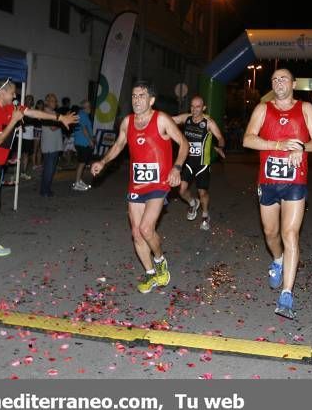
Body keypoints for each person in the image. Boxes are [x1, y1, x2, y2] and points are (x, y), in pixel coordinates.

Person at [0, 79, 76, 257]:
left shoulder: (8, 107)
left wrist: (59, 118)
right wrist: (13, 121)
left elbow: (34, 113)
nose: (15, 96)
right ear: (2, 92)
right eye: (12, 93)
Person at [91, 81, 188, 293]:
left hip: (159, 183)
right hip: (136, 184)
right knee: (136, 233)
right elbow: (118, 145)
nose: (136, 100)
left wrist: (176, 168)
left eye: (141, 96)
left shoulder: (162, 119)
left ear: (151, 100)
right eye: (134, 96)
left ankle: (160, 259)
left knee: (146, 228)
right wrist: (103, 161)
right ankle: (151, 273)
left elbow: (184, 143)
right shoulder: (127, 122)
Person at [243, 68, 312, 319]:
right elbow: (247, 139)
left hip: (295, 180)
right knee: (271, 232)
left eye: (284, 78)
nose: (279, 82)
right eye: (274, 79)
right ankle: (277, 259)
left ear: (294, 83)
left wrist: (302, 147)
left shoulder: (306, 108)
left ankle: (287, 294)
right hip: (267, 180)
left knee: (290, 233)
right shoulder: (262, 108)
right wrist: (277, 145)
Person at [172, 95, 226, 231]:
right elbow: (171, 120)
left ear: (203, 108)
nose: (194, 109)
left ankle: (205, 215)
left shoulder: (209, 122)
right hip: (189, 161)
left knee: (203, 193)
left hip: (203, 164)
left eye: (197, 106)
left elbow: (220, 137)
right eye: (192, 106)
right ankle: (192, 203)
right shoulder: (187, 118)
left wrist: (219, 147)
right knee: (181, 190)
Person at [39, 93, 63, 197]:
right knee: (49, 169)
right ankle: (45, 191)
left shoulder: (53, 113)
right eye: (53, 101)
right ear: (47, 102)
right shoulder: (45, 113)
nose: (55, 103)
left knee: (51, 169)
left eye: (56, 101)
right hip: (49, 146)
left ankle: (46, 189)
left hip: (54, 146)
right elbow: (53, 127)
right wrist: (63, 122)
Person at [71, 99, 96, 191]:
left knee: (82, 163)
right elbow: (84, 129)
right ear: (85, 107)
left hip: (81, 142)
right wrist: (90, 141)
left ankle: (79, 180)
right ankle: (77, 183)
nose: (90, 108)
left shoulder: (83, 115)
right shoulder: (82, 115)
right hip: (82, 142)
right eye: (89, 107)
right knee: (82, 163)